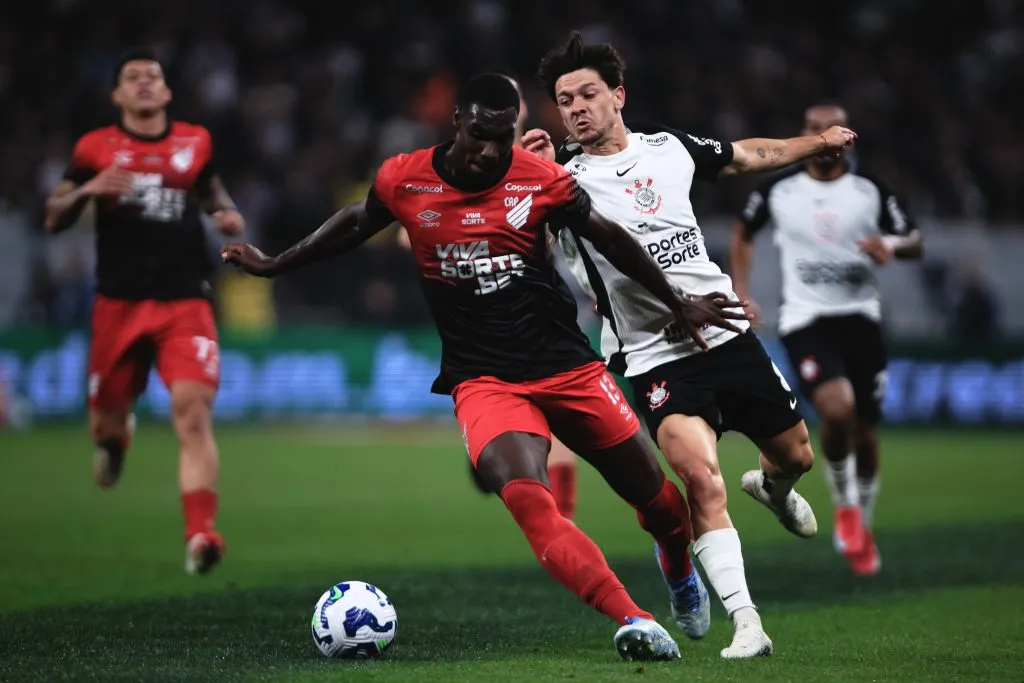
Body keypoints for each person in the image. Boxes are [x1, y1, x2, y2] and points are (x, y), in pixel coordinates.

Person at [223, 72, 751, 661]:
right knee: (529, 499)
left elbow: (612, 237)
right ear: (457, 124)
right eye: (479, 135)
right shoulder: (405, 178)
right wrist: (275, 264)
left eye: (504, 137)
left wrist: (676, 299)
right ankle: (632, 618)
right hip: (484, 380)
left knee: (663, 508)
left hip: (567, 366)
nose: (490, 151)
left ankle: (678, 570)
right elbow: (355, 222)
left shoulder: (543, 180)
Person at [531, 32, 857, 658]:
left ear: (618, 96)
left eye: (587, 93)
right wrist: (525, 168)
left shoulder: (669, 149)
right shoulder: (559, 181)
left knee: (797, 458)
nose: (575, 107)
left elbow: (746, 155)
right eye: (564, 99)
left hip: (726, 334)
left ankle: (772, 488)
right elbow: (518, 231)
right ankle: (748, 623)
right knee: (703, 482)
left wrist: (815, 143)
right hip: (653, 355)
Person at [43, 47, 244, 575]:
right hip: (119, 304)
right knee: (107, 424)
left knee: (194, 416)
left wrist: (223, 213)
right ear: (117, 95)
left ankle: (201, 534)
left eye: (153, 76)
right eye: (133, 78)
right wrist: (88, 189)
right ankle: (114, 441)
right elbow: (52, 218)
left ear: (168, 90)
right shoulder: (95, 148)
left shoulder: (195, 141)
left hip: (186, 302)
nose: (144, 84)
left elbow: (209, 190)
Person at [730, 102, 922, 576]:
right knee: (837, 410)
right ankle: (846, 506)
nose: (823, 135)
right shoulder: (778, 188)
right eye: (813, 129)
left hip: (860, 318)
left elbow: (913, 239)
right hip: (805, 319)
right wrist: (742, 290)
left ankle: (863, 521)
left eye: (830, 128)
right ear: (805, 134)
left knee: (865, 429)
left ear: (847, 134)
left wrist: (890, 246)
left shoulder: (869, 190)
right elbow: (743, 232)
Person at [396, 74, 583, 519]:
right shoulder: (459, 165)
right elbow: (410, 233)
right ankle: (510, 459)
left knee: (556, 423)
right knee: (509, 439)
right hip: (477, 319)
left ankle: (563, 525)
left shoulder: (537, 162)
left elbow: (567, 229)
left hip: (537, 306)